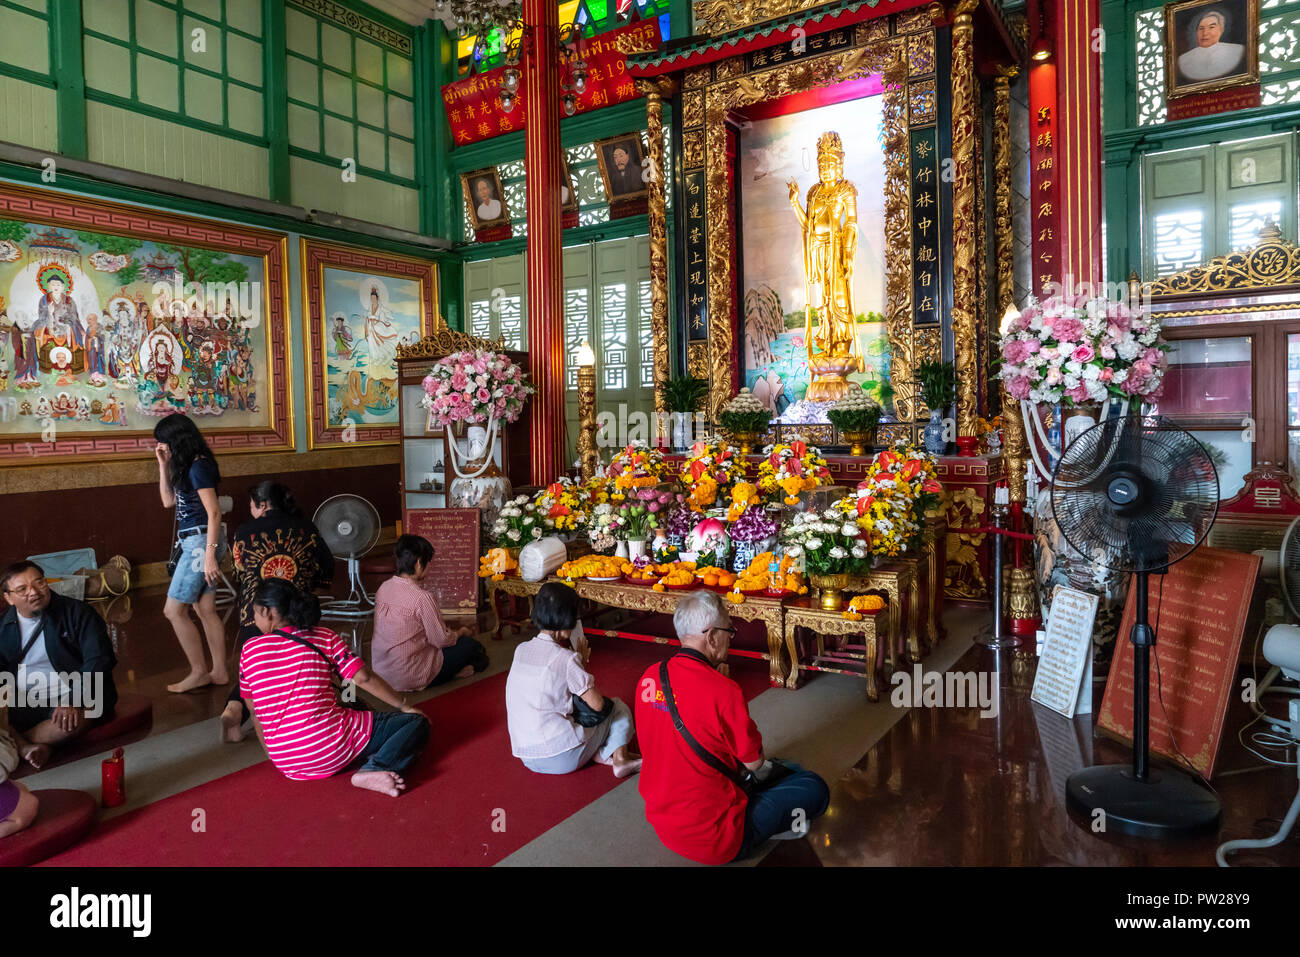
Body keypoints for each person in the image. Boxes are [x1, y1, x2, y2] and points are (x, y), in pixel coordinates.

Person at [635, 591, 829, 864]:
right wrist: (719, 685)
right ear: (712, 636)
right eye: (730, 631)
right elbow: (753, 762)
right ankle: (768, 831)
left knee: (786, 768)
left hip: (664, 823)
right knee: (813, 786)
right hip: (718, 838)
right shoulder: (723, 690)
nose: (731, 638)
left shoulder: (650, 677)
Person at [239, 580, 429, 797]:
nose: (255, 620)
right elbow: (362, 678)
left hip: (286, 764)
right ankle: (376, 767)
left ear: (267, 612)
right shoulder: (323, 636)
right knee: (416, 724)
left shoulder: (249, 650)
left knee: (348, 712)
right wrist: (404, 706)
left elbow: (254, 712)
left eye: (254, 614)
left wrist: (275, 755)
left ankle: (356, 752)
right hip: (330, 748)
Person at [219, 481, 336, 742]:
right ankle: (306, 717)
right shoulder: (307, 528)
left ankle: (235, 708)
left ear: (263, 504)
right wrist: (309, 587)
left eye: (252, 505)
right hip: (294, 610)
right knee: (297, 667)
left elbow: (240, 572)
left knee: (256, 671)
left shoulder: (244, 532)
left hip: (255, 612)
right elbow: (327, 566)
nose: (250, 510)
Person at [505, 581, 640, 777]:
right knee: (618, 707)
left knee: (568, 710)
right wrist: (580, 662)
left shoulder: (521, 650)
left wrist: (579, 665)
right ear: (567, 619)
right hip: (561, 757)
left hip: (527, 756)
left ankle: (596, 751)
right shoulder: (565, 659)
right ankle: (620, 759)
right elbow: (598, 705)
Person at [0, 561, 119, 770]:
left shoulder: (77, 613)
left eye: (39, 583)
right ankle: (28, 746)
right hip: (24, 699)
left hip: (72, 696)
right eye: (22, 589)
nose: (34, 592)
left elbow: (99, 660)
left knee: (71, 722)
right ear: (8, 598)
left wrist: (73, 699)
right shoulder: (2, 627)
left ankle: (17, 742)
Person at [154, 413, 228, 694]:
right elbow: (167, 501)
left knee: (173, 611)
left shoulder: (199, 467)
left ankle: (199, 671)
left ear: (176, 439)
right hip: (194, 540)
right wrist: (162, 466)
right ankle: (219, 671)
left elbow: (214, 512)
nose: (162, 447)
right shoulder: (184, 466)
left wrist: (209, 555)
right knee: (205, 608)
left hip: (201, 541)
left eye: (164, 442)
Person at [371, 535, 488, 692]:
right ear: (419, 563)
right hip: (409, 674)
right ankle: (451, 675)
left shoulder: (383, 587)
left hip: (382, 673)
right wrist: (460, 632)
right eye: (429, 562)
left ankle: (452, 672)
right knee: (470, 645)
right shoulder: (422, 597)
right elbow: (441, 640)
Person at [1177, 9, 1245, 82]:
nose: (1205, 33)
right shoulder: (1183, 59)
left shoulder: (1237, 50)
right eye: (1201, 28)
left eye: (1211, 27)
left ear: (1221, 29)